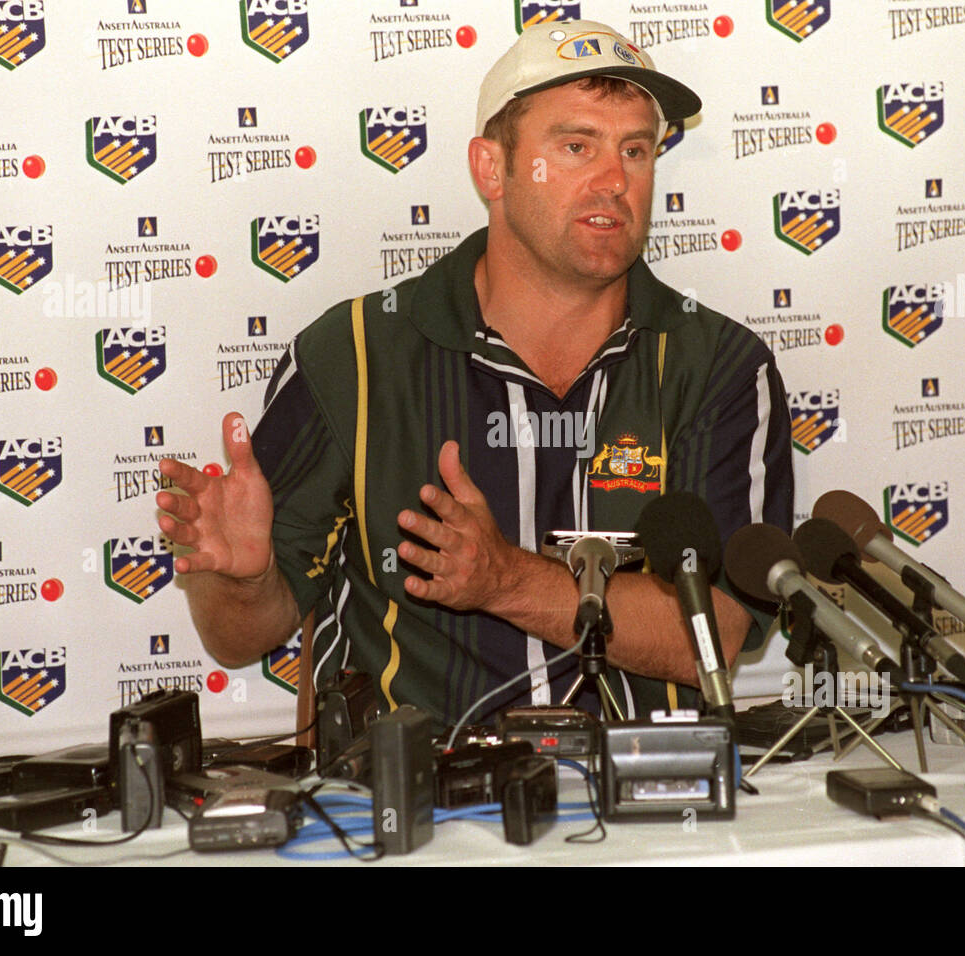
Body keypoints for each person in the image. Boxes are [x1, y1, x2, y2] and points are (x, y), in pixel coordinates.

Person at [156, 21, 794, 727]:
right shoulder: (356, 354)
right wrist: (241, 580)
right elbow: (241, 638)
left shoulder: (723, 367)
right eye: (577, 146)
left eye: (636, 151)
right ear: (492, 169)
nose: (615, 181)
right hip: (415, 813)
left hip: (649, 803)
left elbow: (715, 634)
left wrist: (503, 581)